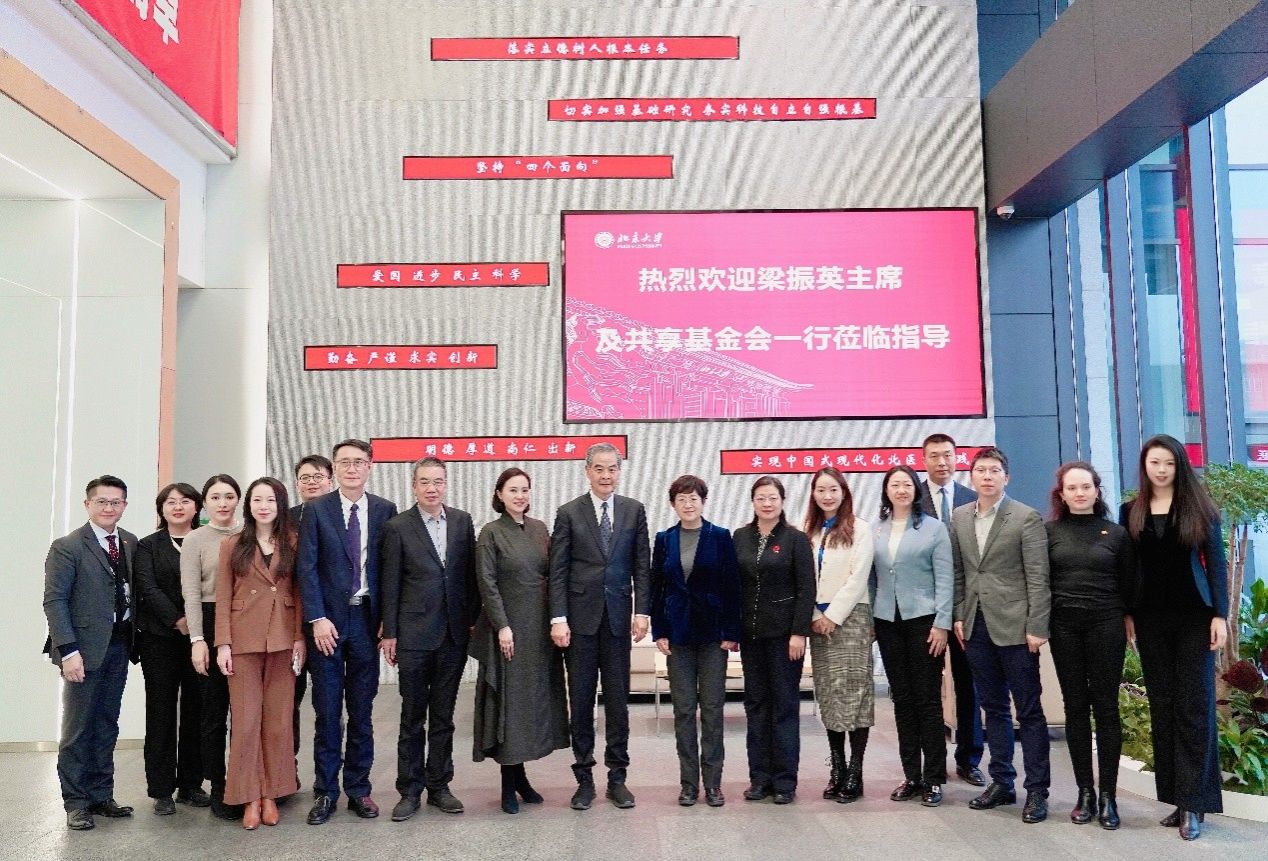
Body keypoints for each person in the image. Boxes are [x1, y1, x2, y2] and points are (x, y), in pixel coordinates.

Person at [1120, 434, 1228, 841]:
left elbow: (1216, 563)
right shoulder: (1130, 511)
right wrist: (1127, 613)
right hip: (1150, 621)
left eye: (1168, 462)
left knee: (1194, 707)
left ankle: (1194, 802)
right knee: (1163, 707)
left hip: (1194, 619)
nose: (1161, 469)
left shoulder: (1199, 508)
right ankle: (1177, 797)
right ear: (1145, 467)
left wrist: (1220, 616)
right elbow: (1128, 567)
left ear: (1179, 465)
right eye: (1155, 463)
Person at [297, 439, 398, 824]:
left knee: (361, 711)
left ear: (370, 466)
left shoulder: (385, 510)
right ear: (334, 468)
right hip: (327, 624)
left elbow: (390, 569)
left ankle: (359, 789)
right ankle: (325, 791)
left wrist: (388, 620)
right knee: (326, 711)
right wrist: (317, 617)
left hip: (367, 622)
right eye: (344, 462)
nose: (352, 468)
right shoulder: (316, 509)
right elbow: (306, 567)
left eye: (359, 462)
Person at [950, 447, 1052, 824]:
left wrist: (1037, 626)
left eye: (994, 470)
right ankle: (1002, 782)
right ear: (972, 477)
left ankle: (1037, 790)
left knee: (1029, 711)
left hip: (1017, 627)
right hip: (975, 626)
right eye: (981, 470)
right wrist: (959, 615)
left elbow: (1038, 576)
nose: (987, 476)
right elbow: (960, 572)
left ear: (1006, 477)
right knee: (992, 708)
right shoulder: (960, 517)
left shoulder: (1025, 517)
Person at [548, 443, 651, 811]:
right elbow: (558, 570)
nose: (606, 475)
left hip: (618, 621)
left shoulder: (634, 510)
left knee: (619, 702)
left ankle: (617, 778)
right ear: (587, 471)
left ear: (619, 472)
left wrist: (642, 612)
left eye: (612, 469)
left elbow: (642, 566)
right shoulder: (568, 513)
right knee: (580, 700)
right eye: (599, 469)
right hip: (579, 623)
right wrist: (558, 618)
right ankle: (584, 779)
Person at [379, 457, 479, 822]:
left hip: (453, 634)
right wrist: (390, 632)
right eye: (424, 481)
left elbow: (470, 576)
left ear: (446, 484)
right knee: (412, 716)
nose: (432, 488)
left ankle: (439, 786)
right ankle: (409, 790)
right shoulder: (397, 527)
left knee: (443, 716)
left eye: (438, 481)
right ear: (414, 486)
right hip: (414, 635)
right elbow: (390, 582)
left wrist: (472, 620)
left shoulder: (462, 521)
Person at [471, 468, 570, 813]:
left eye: (525, 489)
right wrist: (502, 626)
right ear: (499, 494)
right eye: (513, 490)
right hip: (508, 631)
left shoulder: (540, 529)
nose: (520, 496)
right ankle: (507, 784)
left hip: (539, 631)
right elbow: (486, 583)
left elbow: (555, 575)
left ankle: (521, 778)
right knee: (509, 706)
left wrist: (557, 619)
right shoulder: (490, 532)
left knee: (530, 706)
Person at [43, 475, 138, 831]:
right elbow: (55, 601)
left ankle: (101, 795)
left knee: (107, 723)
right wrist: (68, 651)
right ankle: (76, 802)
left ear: (124, 505)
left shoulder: (129, 542)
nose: (109, 508)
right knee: (78, 728)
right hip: (82, 650)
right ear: (87, 504)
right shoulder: (67, 546)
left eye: (116, 502)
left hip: (119, 645)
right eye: (101, 501)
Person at [1046, 461, 1135, 829]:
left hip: (1106, 625)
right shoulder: (1049, 532)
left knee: (1106, 707)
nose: (1079, 493)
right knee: (1075, 708)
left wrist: (1129, 619)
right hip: (1064, 626)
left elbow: (1129, 584)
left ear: (1097, 491)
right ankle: (1085, 792)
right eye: (1072, 488)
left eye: (1086, 487)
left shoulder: (1117, 534)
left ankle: (1108, 796)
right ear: (1062, 494)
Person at [214, 478, 306, 830]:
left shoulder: (294, 542)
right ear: (248, 505)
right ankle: (249, 796)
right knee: (246, 721)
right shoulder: (233, 544)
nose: (263, 506)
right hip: (242, 640)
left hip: (283, 638)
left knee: (279, 721)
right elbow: (223, 596)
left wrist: (299, 638)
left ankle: (272, 794)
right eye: (257, 500)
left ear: (281, 504)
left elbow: (300, 593)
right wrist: (223, 643)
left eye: (270, 500)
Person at [649, 475, 741, 808]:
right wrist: (659, 631)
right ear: (673, 504)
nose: (688, 504)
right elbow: (656, 588)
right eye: (681, 499)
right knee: (684, 711)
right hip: (678, 637)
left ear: (703, 501)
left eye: (694, 498)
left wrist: (731, 632)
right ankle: (688, 784)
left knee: (713, 710)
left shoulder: (720, 536)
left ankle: (713, 784)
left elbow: (732, 587)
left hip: (714, 637)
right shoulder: (664, 539)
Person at [871, 465, 953, 808]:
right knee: (902, 700)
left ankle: (933, 778)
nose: (901, 490)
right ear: (886, 491)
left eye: (907, 484)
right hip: (887, 622)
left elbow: (945, 578)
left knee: (927, 700)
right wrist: (872, 618)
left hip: (925, 622)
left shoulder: (934, 528)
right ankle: (911, 776)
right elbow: (872, 577)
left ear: (915, 490)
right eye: (895, 484)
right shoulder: (876, 529)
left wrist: (942, 623)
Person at [733, 476, 815, 805]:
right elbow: (734, 585)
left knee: (784, 706)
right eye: (761, 498)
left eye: (773, 498)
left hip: (785, 638)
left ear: (782, 501)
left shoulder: (796, 539)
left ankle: (784, 781)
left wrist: (799, 632)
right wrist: (732, 630)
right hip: (751, 637)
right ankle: (759, 779)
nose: (767, 504)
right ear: (753, 502)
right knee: (755, 706)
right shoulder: (740, 537)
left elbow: (807, 588)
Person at [134, 482, 210, 815]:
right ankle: (162, 789)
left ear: (197, 507)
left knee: (197, 710)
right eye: (170, 502)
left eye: (185, 501)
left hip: (201, 639)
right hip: (159, 639)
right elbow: (147, 587)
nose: (178, 507)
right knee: (161, 712)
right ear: (161, 509)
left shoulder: (208, 540)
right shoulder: (148, 545)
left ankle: (191, 784)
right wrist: (178, 620)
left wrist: (195, 626)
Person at [803, 467, 875, 803]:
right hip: (817, 622)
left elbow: (858, 577)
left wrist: (833, 615)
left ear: (844, 492)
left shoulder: (860, 529)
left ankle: (855, 772)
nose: (827, 496)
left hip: (851, 618)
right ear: (813, 494)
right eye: (821, 490)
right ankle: (837, 768)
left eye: (833, 489)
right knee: (829, 693)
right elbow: (803, 578)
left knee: (855, 693)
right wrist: (816, 616)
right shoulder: (808, 530)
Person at [919, 433, 985, 787]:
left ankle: (969, 759)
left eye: (947, 455)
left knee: (968, 684)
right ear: (924, 460)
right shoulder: (910, 498)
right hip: (922, 609)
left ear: (957, 458)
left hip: (964, 607)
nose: (941, 462)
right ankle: (932, 763)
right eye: (934, 456)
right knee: (926, 689)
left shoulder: (972, 499)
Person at [180, 474, 243, 820]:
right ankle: (219, 786)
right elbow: (191, 593)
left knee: (245, 714)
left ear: (238, 500)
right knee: (213, 713)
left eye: (229, 496)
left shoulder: (249, 533)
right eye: (215, 497)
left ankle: (244, 784)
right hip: (207, 618)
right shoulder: (195, 539)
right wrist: (197, 639)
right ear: (205, 503)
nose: (223, 503)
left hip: (244, 621)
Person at [289, 454, 333, 783]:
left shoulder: (340, 517)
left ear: (330, 481)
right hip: (289, 623)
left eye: (318, 476)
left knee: (326, 703)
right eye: (305, 478)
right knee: (287, 700)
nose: (312, 483)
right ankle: (284, 773)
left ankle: (324, 779)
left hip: (329, 624)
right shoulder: (286, 519)